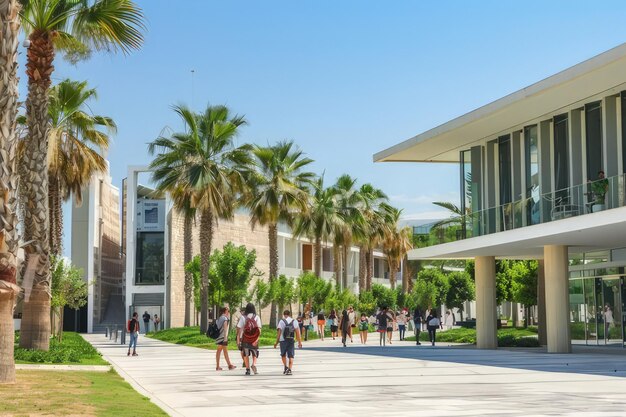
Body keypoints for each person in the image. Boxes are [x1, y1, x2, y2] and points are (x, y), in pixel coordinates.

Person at [274, 310, 303, 375]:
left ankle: (285, 367)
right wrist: (299, 342)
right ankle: (290, 369)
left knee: (283, 354)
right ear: (290, 315)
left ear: (284, 315)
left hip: (283, 341)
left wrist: (276, 342)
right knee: (291, 355)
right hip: (291, 340)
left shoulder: (281, 321)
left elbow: (279, 333)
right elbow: (298, 333)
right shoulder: (294, 321)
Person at [236, 303, 262, 376]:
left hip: (245, 339)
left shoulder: (243, 317)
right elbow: (259, 330)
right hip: (254, 339)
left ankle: (247, 369)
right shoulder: (257, 317)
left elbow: (238, 329)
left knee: (246, 354)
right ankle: (253, 364)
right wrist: (257, 339)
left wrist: (238, 340)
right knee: (255, 353)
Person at [215, 307, 236, 371]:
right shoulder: (225, 318)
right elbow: (225, 329)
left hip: (218, 337)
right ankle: (228, 365)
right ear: (226, 311)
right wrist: (225, 338)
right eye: (228, 311)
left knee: (222, 351)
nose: (229, 312)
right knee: (223, 351)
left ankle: (223, 366)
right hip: (223, 337)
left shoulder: (219, 318)